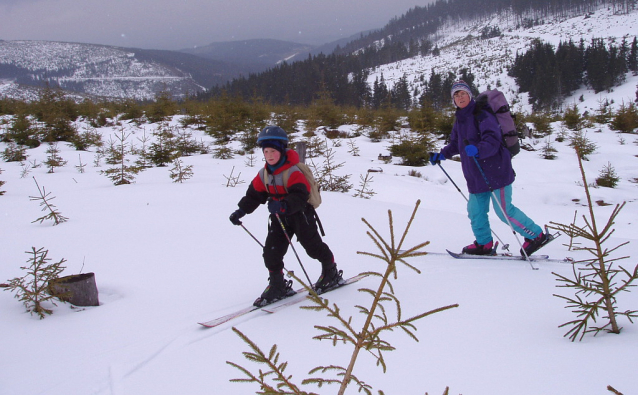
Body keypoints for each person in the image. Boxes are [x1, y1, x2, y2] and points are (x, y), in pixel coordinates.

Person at [429, 81, 547, 256]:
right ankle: (484, 244)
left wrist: (479, 149)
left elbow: (493, 139)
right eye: (456, 95)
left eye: (463, 93)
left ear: (469, 95)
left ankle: (536, 236)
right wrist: (442, 155)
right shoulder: (460, 118)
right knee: (475, 211)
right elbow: (456, 143)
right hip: (475, 174)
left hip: (496, 170)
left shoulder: (482, 113)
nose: (460, 97)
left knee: (504, 211)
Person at [229, 126, 343, 307]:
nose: (269, 155)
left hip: (300, 215)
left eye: (273, 150)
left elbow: (300, 195)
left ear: (281, 150)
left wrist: (284, 205)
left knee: (313, 247)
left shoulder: (293, 172)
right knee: (271, 251)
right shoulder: (264, 174)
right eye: (266, 151)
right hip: (278, 217)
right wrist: (241, 211)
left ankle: (331, 272)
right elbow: (254, 195)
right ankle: (277, 284)